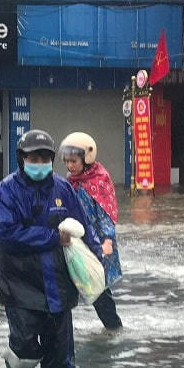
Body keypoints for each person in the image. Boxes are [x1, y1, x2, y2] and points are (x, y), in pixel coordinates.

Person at [0, 128, 103, 368]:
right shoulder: (7, 191)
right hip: (20, 285)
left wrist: (97, 256)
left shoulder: (62, 189)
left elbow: (83, 227)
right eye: (33, 157)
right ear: (21, 158)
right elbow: (6, 234)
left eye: (44, 158)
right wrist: (52, 238)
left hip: (58, 288)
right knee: (25, 346)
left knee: (60, 363)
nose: (39, 163)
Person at [59, 132, 123, 330]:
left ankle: (114, 329)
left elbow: (107, 213)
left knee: (98, 288)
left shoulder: (99, 180)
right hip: (74, 242)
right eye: (67, 162)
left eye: (74, 161)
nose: (70, 166)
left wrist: (107, 241)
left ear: (86, 158)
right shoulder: (70, 181)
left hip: (97, 243)